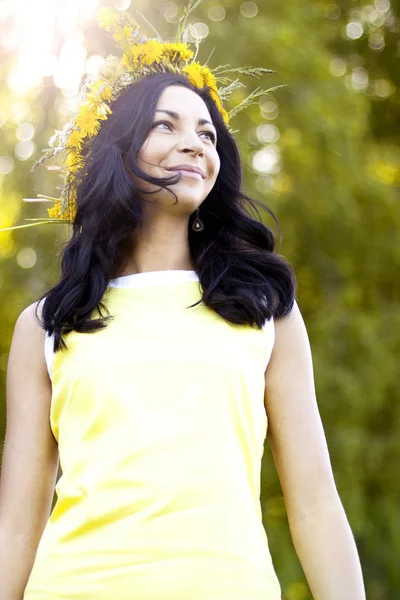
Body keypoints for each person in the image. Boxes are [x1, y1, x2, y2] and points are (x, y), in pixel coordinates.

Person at [0, 5, 366, 600]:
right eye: (165, 125)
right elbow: (17, 526)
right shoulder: (46, 324)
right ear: (119, 149)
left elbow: (317, 504)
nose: (193, 143)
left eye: (206, 132)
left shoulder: (264, 309)